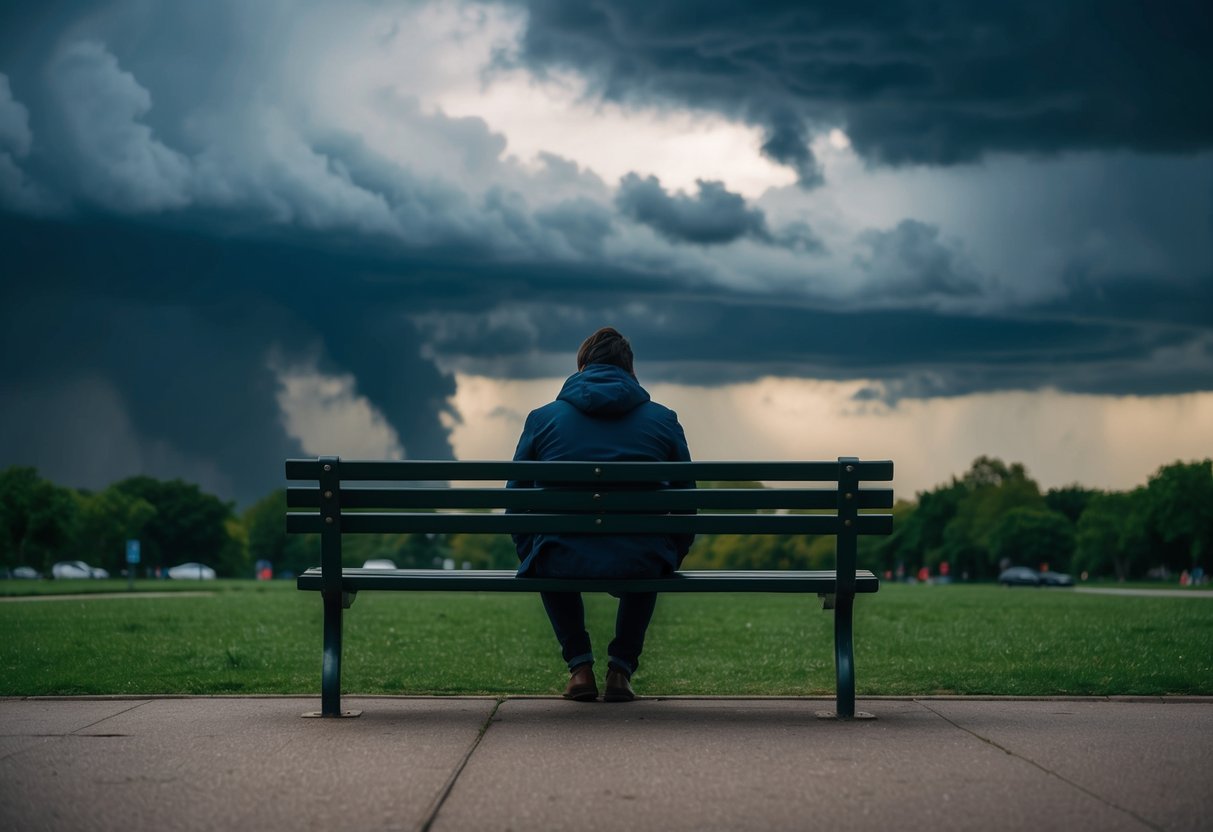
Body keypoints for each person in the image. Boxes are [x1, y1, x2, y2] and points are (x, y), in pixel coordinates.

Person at [508, 327, 694, 702]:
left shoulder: (541, 419)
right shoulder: (664, 420)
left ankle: (579, 668)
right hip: (641, 559)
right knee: (651, 554)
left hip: (560, 557)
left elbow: (516, 505)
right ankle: (620, 671)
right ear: (630, 370)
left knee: (545, 552)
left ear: (582, 367)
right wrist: (669, 554)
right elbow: (687, 505)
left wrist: (531, 552)